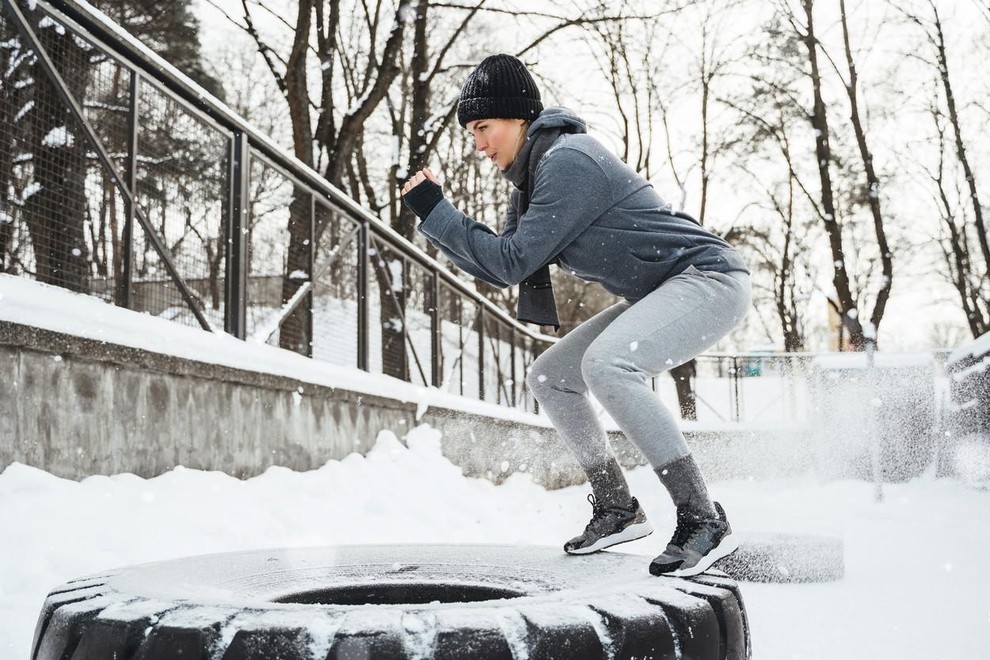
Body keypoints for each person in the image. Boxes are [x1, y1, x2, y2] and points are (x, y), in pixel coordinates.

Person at [401, 54, 750, 577]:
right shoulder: (532, 181)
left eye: (483, 127)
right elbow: (502, 267)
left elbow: (514, 259)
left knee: (608, 365)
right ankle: (616, 508)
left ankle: (702, 517)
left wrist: (439, 211)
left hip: (709, 279)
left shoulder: (569, 160)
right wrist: (436, 214)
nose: (478, 144)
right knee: (551, 376)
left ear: (518, 118)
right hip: (666, 289)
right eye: (472, 132)